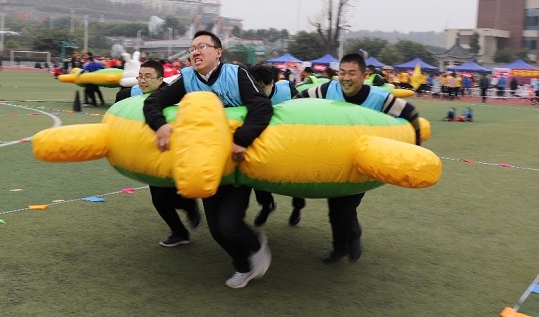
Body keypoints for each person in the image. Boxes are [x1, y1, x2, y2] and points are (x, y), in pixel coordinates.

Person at [143, 30, 273, 289]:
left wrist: (241, 139)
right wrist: (160, 125)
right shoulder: (187, 78)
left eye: (202, 46)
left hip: (236, 163)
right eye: (192, 48)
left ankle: (257, 244)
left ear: (218, 52)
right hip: (207, 164)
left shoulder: (236, 74)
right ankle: (243, 266)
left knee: (230, 225)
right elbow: (154, 101)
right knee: (216, 230)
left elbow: (262, 107)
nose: (195, 52)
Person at [296, 53, 421, 264]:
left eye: (352, 73)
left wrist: (416, 146)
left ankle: (353, 238)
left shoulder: (378, 98)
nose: (345, 78)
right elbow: (297, 101)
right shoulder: (328, 90)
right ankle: (340, 248)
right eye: (342, 73)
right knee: (335, 208)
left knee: (345, 207)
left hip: (360, 165)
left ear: (364, 75)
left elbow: (411, 113)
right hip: (333, 163)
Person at [116, 60, 201, 247]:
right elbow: (121, 95)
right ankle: (180, 231)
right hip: (151, 154)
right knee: (160, 199)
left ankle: (189, 206)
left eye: (148, 77)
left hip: (175, 152)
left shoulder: (174, 94)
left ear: (160, 79)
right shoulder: (138, 92)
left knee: (172, 193)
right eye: (140, 76)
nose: (142, 81)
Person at [247, 64, 304, 227]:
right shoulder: (248, 94)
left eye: (262, 87)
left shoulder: (287, 89)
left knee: (297, 179)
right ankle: (267, 205)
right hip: (265, 145)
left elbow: (304, 110)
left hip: (290, 143)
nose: (258, 92)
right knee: (256, 175)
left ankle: (298, 208)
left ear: (272, 83)